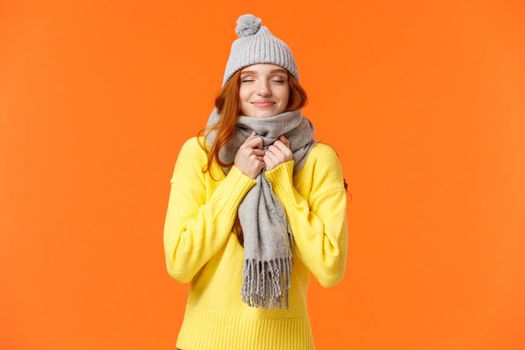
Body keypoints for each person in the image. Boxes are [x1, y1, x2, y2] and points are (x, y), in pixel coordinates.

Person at [164, 13, 350, 350]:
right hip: (204, 343)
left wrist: (284, 185)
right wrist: (238, 179)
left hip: (287, 344)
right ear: (234, 88)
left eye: (277, 79)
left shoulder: (318, 159)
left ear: (291, 89)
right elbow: (179, 262)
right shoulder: (200, 154)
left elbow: (330, 268)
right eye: (248, 78)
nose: (262, 89)